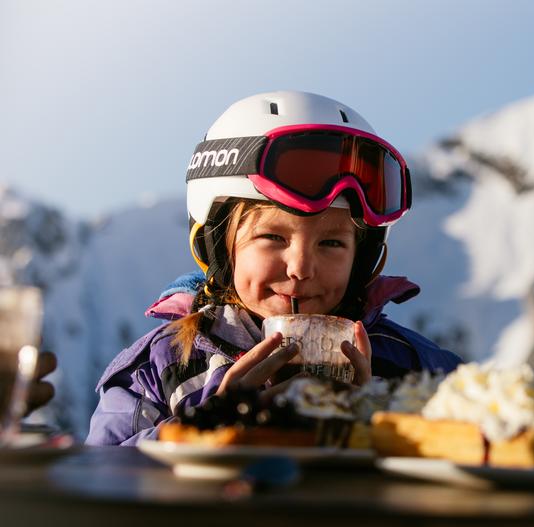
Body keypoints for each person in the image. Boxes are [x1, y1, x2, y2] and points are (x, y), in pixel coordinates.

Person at [85, 91, 462, 446]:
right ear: (218, 246)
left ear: (363, 259)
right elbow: (100, 480)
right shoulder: (160, 369)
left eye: (331, 243)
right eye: (273, 238)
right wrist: (211, 421)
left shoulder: (418, 372)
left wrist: (381, 422)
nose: (301, 268)